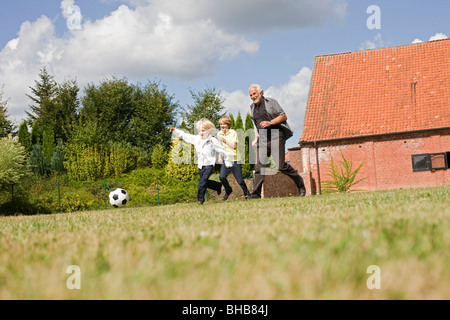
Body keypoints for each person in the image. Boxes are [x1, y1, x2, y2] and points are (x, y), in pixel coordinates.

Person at [247, 84, 306, 198]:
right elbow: (258, 124)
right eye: (250, 95)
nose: (253, 97)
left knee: (280, 166)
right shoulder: (252, 108)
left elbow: (283, 116)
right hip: (263, 139)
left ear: (261, 93)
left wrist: (270, 123)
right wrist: (257, 137)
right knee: (259, 166)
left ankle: (300, 183)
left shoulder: (271, 102)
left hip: (276, 136)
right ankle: (256, 194)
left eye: (254, 94)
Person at [170, 118, 232, 205]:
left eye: (203, 130)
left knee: (202, 182)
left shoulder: (212, 141)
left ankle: (200, 199)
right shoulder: (197, 139)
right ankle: (217, 186)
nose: (201, 133)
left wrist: (228, 162)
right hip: (201, 164)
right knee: (205, 182)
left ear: (209, 131)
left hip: (209, 164)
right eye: (199, 131)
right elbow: (185, 135)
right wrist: (175, 131)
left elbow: (222, 151)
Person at [217, 115, 252, 200]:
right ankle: (228, 190)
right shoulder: (219, 134)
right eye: (221, 124)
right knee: (222, 177)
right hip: (226, 159)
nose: (222, 126)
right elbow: (220, 147)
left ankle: (247, 194)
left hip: (235, 159)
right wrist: (219, 156)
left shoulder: (233, 133)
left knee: (240, 180)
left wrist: (224, 140)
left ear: (228, 124)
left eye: (224, 124)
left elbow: (234, 146)